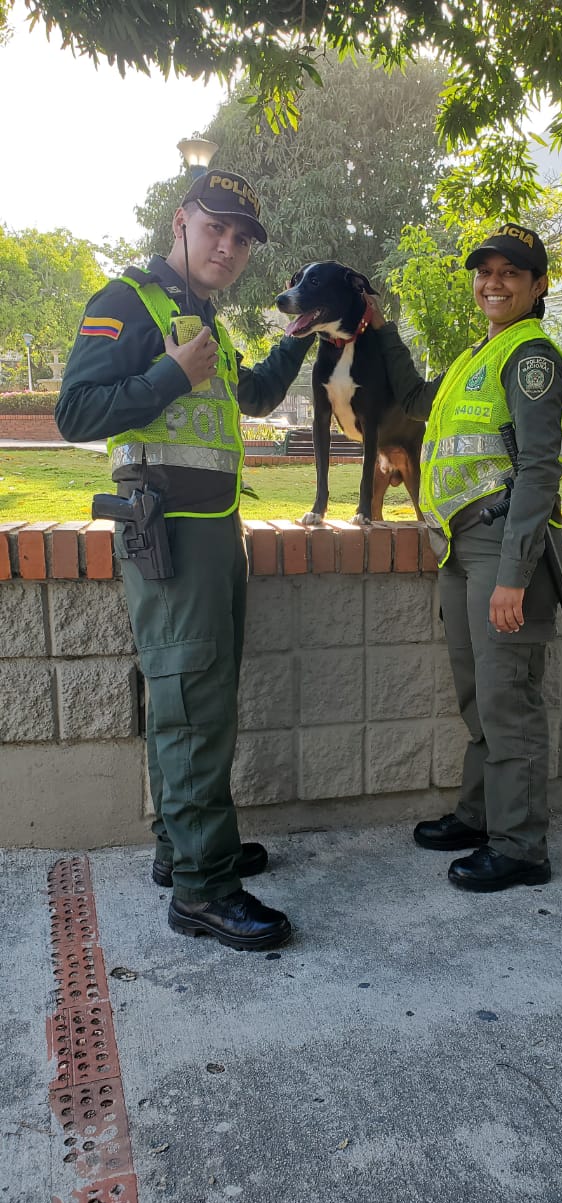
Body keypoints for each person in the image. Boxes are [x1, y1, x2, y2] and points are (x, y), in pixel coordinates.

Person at [57, 170, 315, 949]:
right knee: (194, 710)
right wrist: (171, 373)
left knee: (202, 700)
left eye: (242, 239)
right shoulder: (127, 302)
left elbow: (255, 397)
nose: (229, 247)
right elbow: (76, 411)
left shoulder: (206, 320)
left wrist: (298, 339)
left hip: (213, 533)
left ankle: (183, 849)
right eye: (218, 229)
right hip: (167, 533)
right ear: (181, 222)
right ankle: (204, 890)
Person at [365, 223, 562, 892]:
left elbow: (540, 472)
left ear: (538, 285)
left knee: (506, 698)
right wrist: (381, 332)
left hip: (503, 547)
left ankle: (520, 847)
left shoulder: (530, 358)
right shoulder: (474, 358)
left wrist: (514, 577)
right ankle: (480, 813)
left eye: (512, 272)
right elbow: (417, 401)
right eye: (485, 271)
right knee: (475, 694)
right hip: (460, 548)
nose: (494, 282)